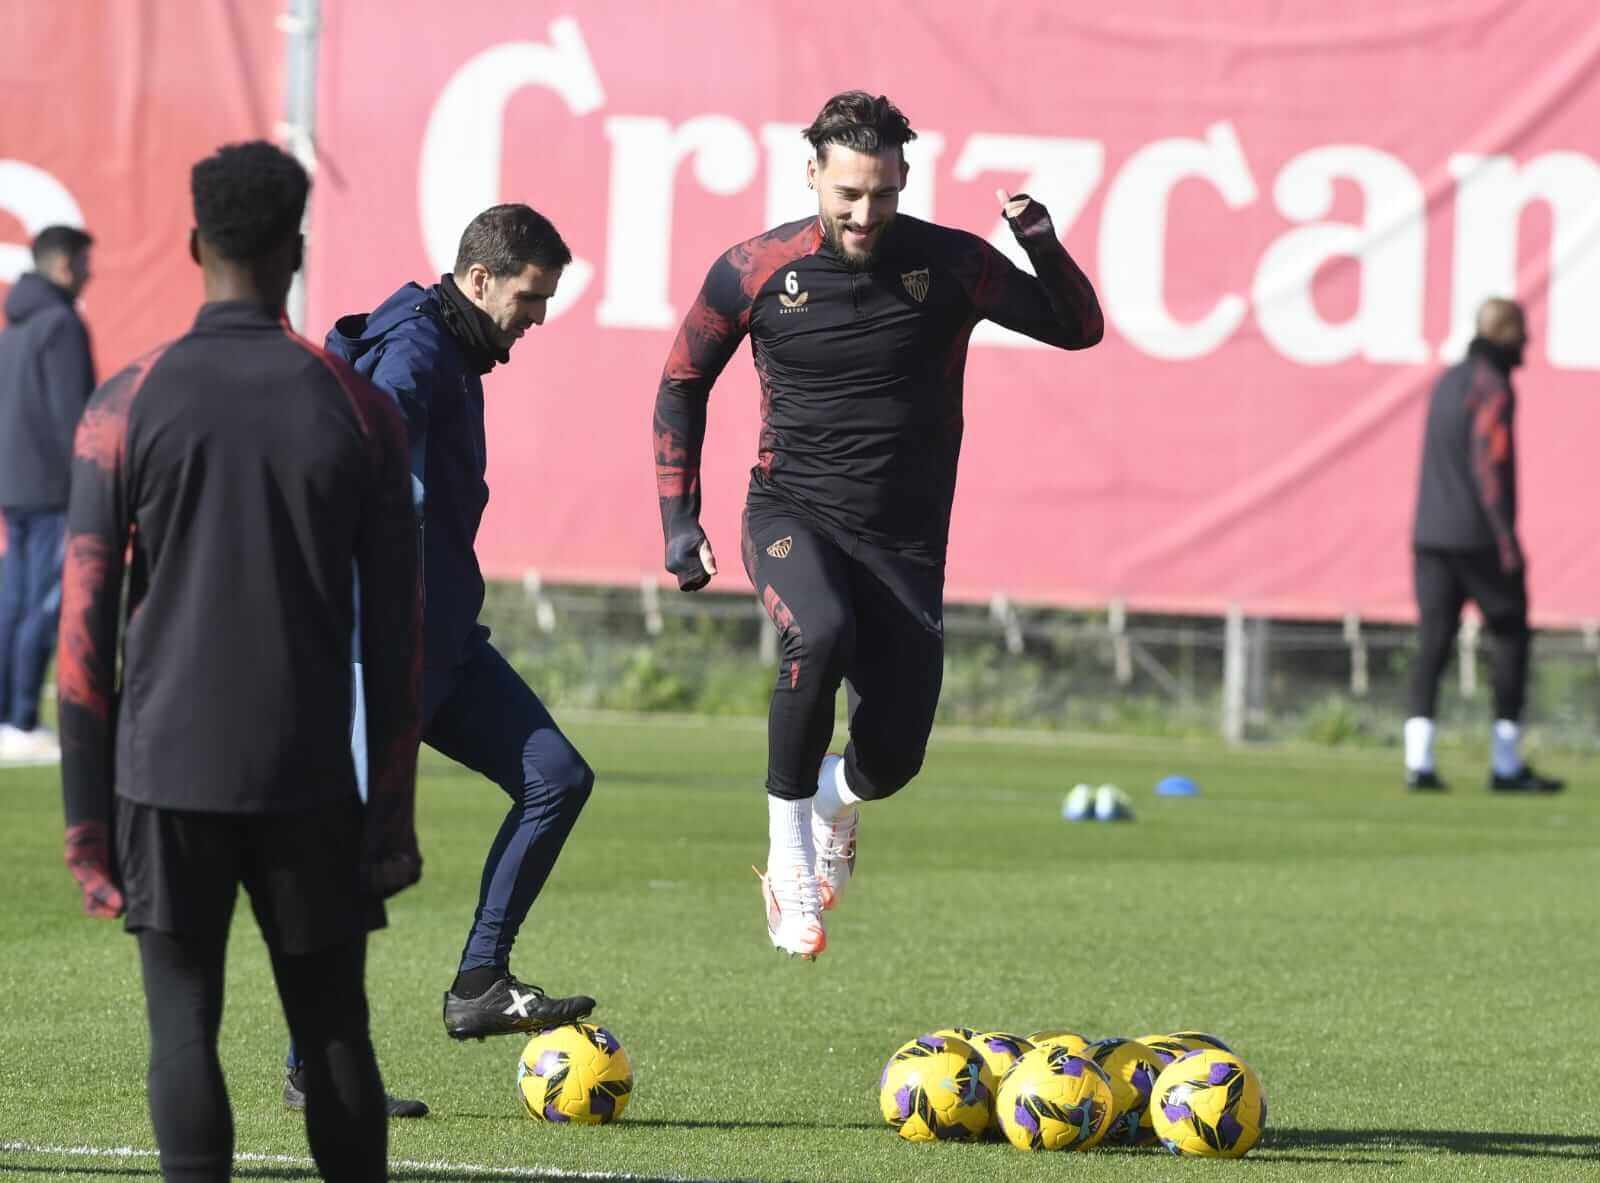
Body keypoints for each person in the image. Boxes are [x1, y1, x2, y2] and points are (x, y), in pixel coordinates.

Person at [651, 91, 1103, 958]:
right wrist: (680, 518)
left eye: (884, 195)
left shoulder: (953, 264)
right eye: (848, 193)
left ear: (905, 180)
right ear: (812, 173)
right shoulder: (751, 269)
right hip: (790, 513)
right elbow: (680, 382)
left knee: (892, 760)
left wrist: (1038, 242)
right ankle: (789, 863)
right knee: (815, 635)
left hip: (904, 544)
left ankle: (832, 803)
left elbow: (1079, 328)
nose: (865, 214)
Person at [57, 141, 422, 1183]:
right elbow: (398, 643)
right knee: (336, 1028)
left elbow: (84, 639)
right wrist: (388, 817)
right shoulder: (361, 411)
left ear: (192, 244)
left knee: (182, 1029)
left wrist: (89, 823)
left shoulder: (125, 403)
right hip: (307, 771)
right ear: (295, 252)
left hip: (162, 773)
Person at [315, 202, 597, 1043]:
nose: (538, 316)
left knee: (558, 776)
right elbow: (362, 450)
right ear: (480, 281)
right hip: (387, 651)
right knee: (355, 855)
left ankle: (480, 979)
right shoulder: (418, 348)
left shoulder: (450, 345)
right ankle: (315, 1063)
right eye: (530, 296)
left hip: (446, 642)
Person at [1404, 297, 1563, 794]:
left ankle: (1419, 762)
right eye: (1522, 335)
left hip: (1430, 534)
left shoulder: (1447, 381)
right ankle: (1506, 763)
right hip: (1477, 538)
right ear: (1505, 335)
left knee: (1433, 644)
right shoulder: (1492, 387)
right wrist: (1505, 539)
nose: (1529, 345)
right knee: (1511, 636)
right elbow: (1487, 466)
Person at [0, 224, 96, 764]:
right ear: (63, 264)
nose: (89, 273)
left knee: (14, 600)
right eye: (83, 262)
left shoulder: (15, 326)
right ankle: (20, 719)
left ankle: (6, 717)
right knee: (40, 603)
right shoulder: (61, 325)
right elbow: (75, 419)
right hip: (52, 489)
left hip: (15, 485)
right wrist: (89, 484)